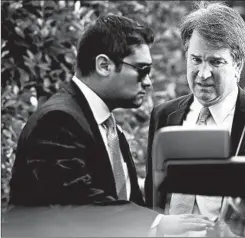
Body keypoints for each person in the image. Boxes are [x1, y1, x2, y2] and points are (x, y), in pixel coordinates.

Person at [9, 14, 214, 235]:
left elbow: (120, 200)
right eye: (142, 70)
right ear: (104, 65)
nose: (148, 82)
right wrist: (159, 223)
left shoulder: (106, 126)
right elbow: (76, 202)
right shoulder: (57, 120)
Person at [145, 2, 245, 235]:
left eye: (215, 62)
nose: (203, 74)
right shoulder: (164, 115)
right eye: (196, 59)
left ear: (237, 65)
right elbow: (153, 200)